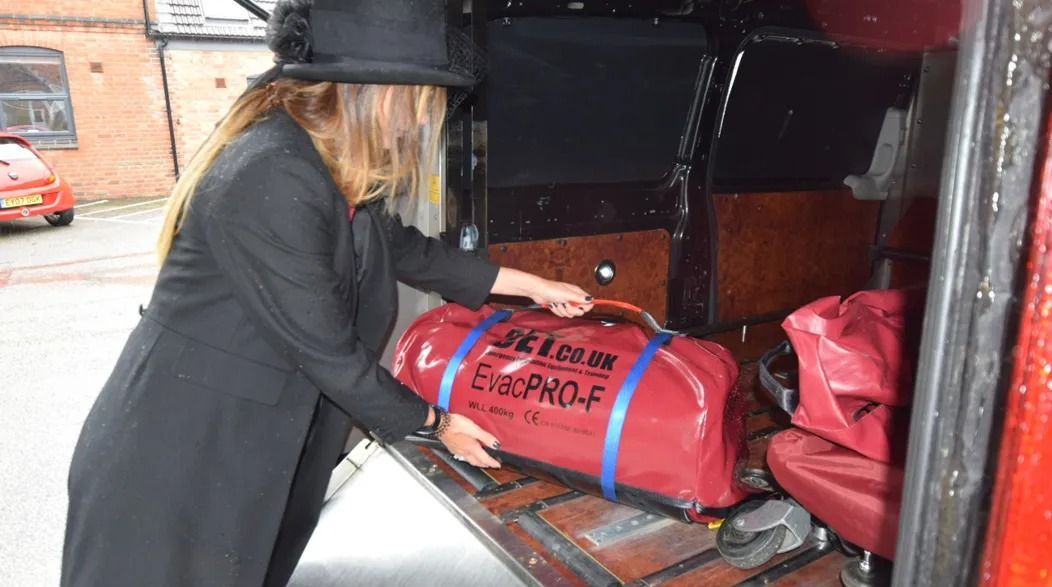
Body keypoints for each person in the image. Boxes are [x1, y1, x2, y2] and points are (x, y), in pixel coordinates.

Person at [61, 1, 593, 585]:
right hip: (182, 457)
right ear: (379, 94)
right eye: (419, 106)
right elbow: (329, 355)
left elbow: (408, 249)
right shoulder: (272, 173)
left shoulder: (322, 163)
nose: (418, 124)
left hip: (250, 444)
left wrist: (531, 286)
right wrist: (440, 423)